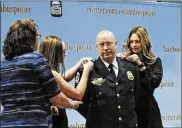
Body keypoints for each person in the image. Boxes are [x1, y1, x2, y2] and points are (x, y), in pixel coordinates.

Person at [0, 19, 82, 128]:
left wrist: (45, 107)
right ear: (29, 38)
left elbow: (16, 100)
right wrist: (71, 105)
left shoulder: (3, 64)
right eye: (37, 36)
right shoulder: (36, 60)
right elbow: (57, 99)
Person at [75, 30, 140, 128]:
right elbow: (80, 103)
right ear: (97, 47)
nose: (105, 48)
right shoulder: (87, 71)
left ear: (116, 44)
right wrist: (97, 119)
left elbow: (138, 97)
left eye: (109, 44)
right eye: (101, 44)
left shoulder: (131, 67)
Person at [39, 35, 93, 128]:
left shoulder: (42, 71)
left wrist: (78, 64)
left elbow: (62, 80)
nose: (66, 54)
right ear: (55, 53)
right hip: (56, 122)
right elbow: (78, 94)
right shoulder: (52, 74)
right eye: (63, 52)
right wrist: (86, 71)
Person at [118, 26, 163, 128]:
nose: (133, 45)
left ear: (144, 42)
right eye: (131, 41)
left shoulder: (155, 62)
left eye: (137, 41)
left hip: (149, 112)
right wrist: (117, 62)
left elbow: (152, 84)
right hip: (130, 111)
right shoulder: (124, 60)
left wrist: (140, 64)